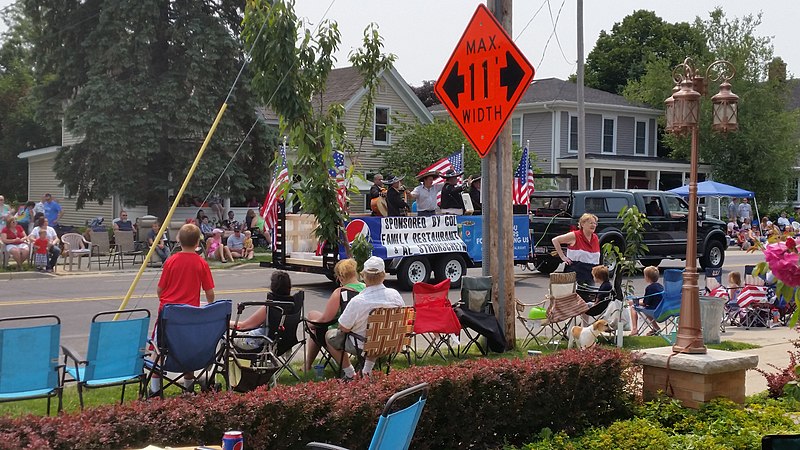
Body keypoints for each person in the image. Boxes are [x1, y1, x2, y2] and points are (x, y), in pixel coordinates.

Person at [151, 223, 216, 394]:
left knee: (158, 351)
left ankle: (155, 390)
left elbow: (160, 290)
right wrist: (207, 305)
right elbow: (210, 293)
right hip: (189, 316)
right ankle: (188, 388)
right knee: (188, 349)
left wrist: (166, 302)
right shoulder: (201, 263)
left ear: (178, 241)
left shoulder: (171, 261)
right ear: (197, 243)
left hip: (167, 315)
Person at [325, 256, 404, 379]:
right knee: (374, 335)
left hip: (363, 345)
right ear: (384, 275)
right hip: (391, 342)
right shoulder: (395, 295)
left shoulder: (358, 301)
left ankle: (350, 373)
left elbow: (344, 327)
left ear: (364, 276)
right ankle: (366, 371)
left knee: (330, 336)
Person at [304, 258, 366, 372]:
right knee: (312, 314)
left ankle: (307, 366)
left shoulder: (340, 293)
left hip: (345, 331)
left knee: (314, 329)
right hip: (363, 329)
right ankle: (307, 366)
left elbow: (326, 319)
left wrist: (311, 324)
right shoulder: (365, 288)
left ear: (341, 277)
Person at [230, 271, 301, 350]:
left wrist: (224, 322)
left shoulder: (272, 307)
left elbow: (243, 326)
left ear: (272, 287)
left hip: (261, 342)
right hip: (284, 343)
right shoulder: (292, 305)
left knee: (225, 333)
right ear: (289, 286)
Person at [551, 213, 600, 287]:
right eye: (591, 223)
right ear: (582, 224)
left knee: (591, 295)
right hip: (576, 273)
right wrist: (563, 257)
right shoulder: (575, 235)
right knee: (576, 296)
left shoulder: (595, 238)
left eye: (595, 223)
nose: (593, 225)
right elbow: (555, 240)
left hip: (591, 273)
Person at [629, 266, 664, 336]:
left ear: (647, 277)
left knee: (633, 307)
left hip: (654, 310)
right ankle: (656, 328)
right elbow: (649, 300)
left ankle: (635, 329)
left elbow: (645, 303)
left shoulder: (649, 288)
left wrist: (635, 302)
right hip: (662, 309)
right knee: (646, 308)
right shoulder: (660, 286)